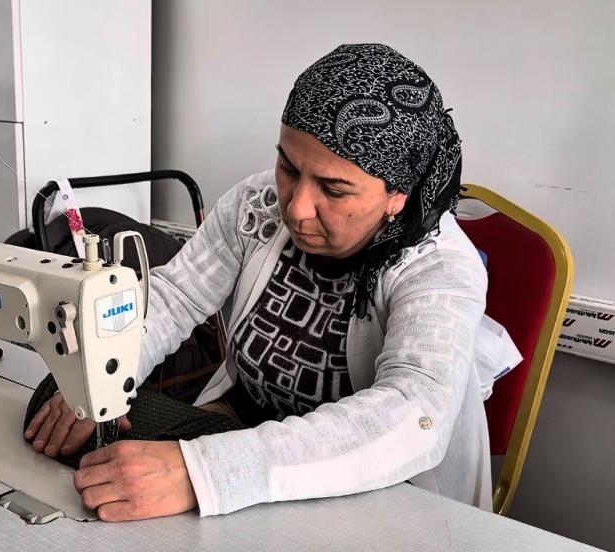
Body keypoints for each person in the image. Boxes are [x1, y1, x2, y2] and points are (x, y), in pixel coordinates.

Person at [24, 43, 492, 522]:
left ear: (398, 195)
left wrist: (206, 471)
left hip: (383, 487)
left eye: (333, 189)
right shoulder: (256, 205)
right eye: (288, 167)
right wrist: (103, 377)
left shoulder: (439, 268)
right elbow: (177, 295)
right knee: (62, 403)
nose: (296, 208)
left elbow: (411, 414)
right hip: (245, 432)